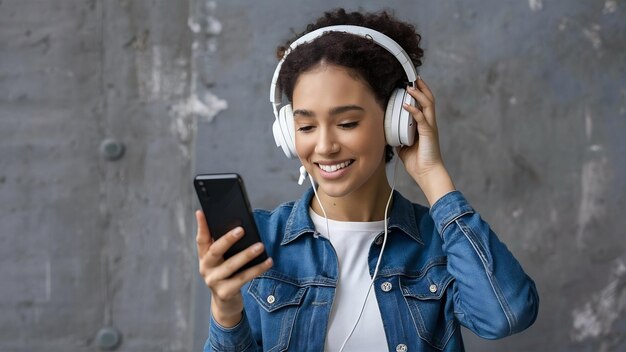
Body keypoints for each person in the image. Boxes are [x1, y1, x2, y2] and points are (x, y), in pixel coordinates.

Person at [196, 8, 539, 352]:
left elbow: (506, 316)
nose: (325, 146)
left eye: (347, 124)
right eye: (306, 127)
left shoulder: (439, 244)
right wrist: (225, 311)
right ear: (287, 132)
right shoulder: (262, 243)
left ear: (396, 121)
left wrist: (432, 174)